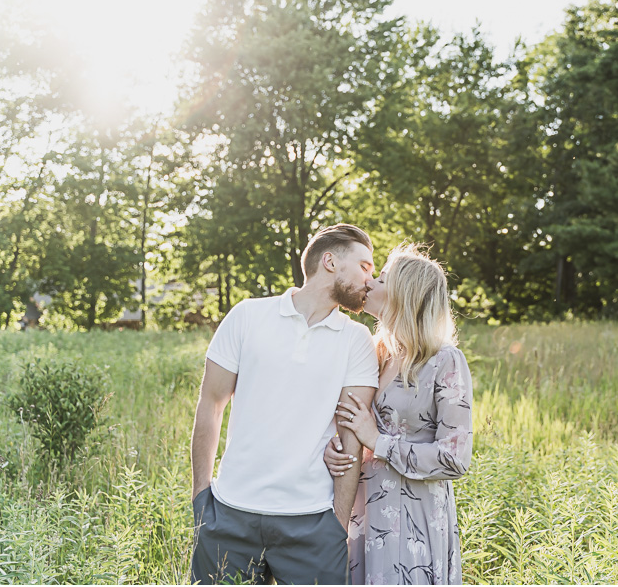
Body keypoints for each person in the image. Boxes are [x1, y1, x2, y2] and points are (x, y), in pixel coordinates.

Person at [190, 223, 380, 585]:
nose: (370, 280)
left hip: (312, 525)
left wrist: (337, 525)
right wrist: (202, 496)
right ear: (330, 261)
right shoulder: (247, 316)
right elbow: (211, 404)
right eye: (365, 266)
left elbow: (351, 435)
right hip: (229, 515)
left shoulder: (357, 340)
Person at [325, 244, 473, 585]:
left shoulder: (444, 361)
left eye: (381, 278)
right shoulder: (372, 354)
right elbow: (353, 426)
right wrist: (336, 449)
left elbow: (455, 457)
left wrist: (378, 442)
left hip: (414, 519)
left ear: (405, 293)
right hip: (364, 510)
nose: (369, 283)